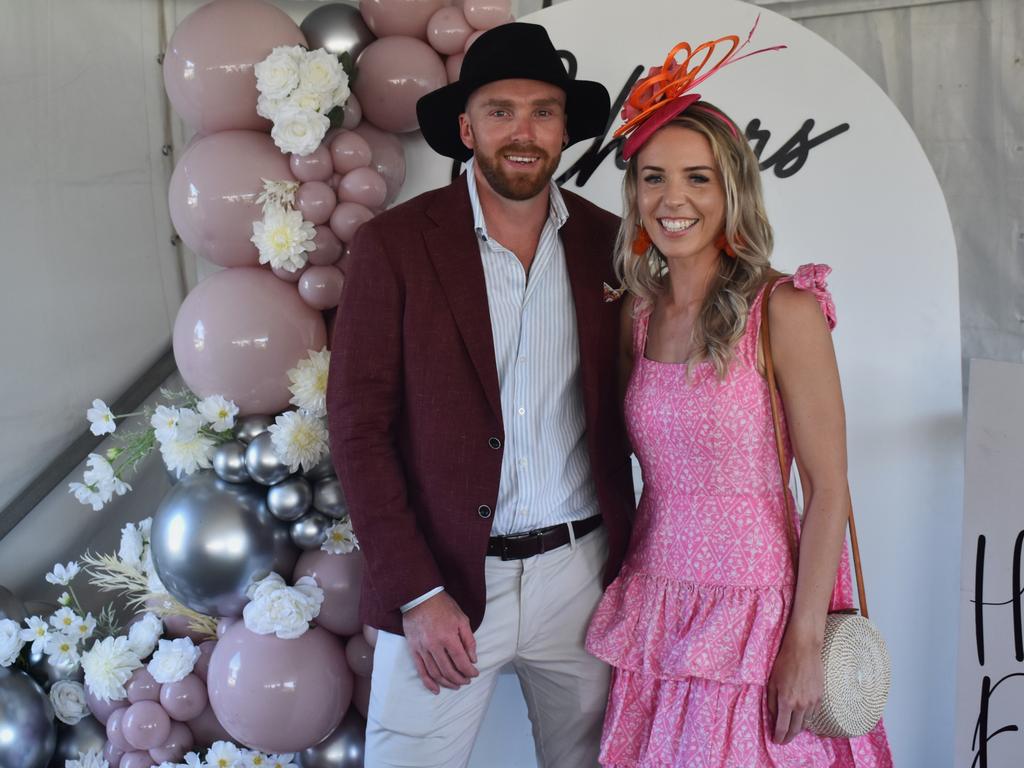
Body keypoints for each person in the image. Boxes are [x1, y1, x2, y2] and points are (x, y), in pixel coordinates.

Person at [326, 22, 635, 768]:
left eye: (542, 110)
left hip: (583, 574)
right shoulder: (395, 246)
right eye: (500, 110)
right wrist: (415, 590)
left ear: (565, 129)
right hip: (448, 578)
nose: (522, 131)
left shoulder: (612, 244)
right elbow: (358, 427)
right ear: (466, 128)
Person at [584, 36, 895, 768]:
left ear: (732, 190)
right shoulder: (635, 311)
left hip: (759, 607)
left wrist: (805, 638)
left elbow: (826, 488)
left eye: (697, 178)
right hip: (658, 601)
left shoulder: (783, 308)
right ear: (633, 193)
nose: (673, 200)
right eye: (653, 179)